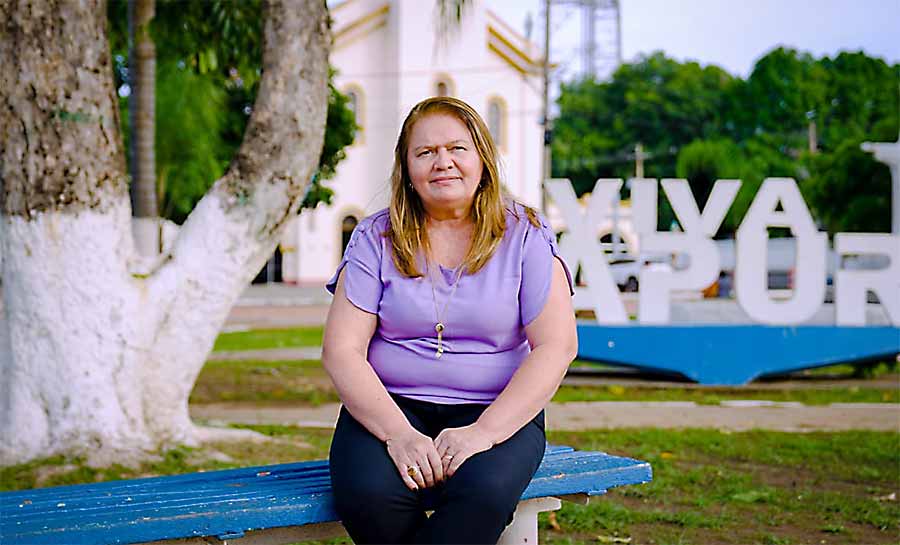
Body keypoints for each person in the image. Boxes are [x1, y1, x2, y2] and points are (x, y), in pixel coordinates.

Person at [322, 96, 577, 544]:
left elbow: (557, 346)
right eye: (425, 152)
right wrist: (398, 434)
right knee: (368, 494)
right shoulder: (375, 236)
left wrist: (483, 433)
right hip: (389, 406)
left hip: (497, 408)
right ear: (407, 168)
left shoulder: (527, 234)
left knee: (483, 493)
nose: (443, 162)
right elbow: (341, 350)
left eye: (457, 148)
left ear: (483, 159)